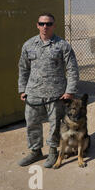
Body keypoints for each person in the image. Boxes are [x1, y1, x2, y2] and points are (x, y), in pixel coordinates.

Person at [18, 13, 79, 168]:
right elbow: (23, 69)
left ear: (54, 25)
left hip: (56, 94)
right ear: (37, 25)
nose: (45, 27)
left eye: (49, 24)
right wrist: (22, 90)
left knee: (55, 125)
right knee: (32, 123)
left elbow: (72, 69)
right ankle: (35, 151)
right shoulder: (29, 45)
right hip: (33, 93)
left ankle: (53, 151)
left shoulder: (62, 45)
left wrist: (70, 91)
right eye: (42, 23)